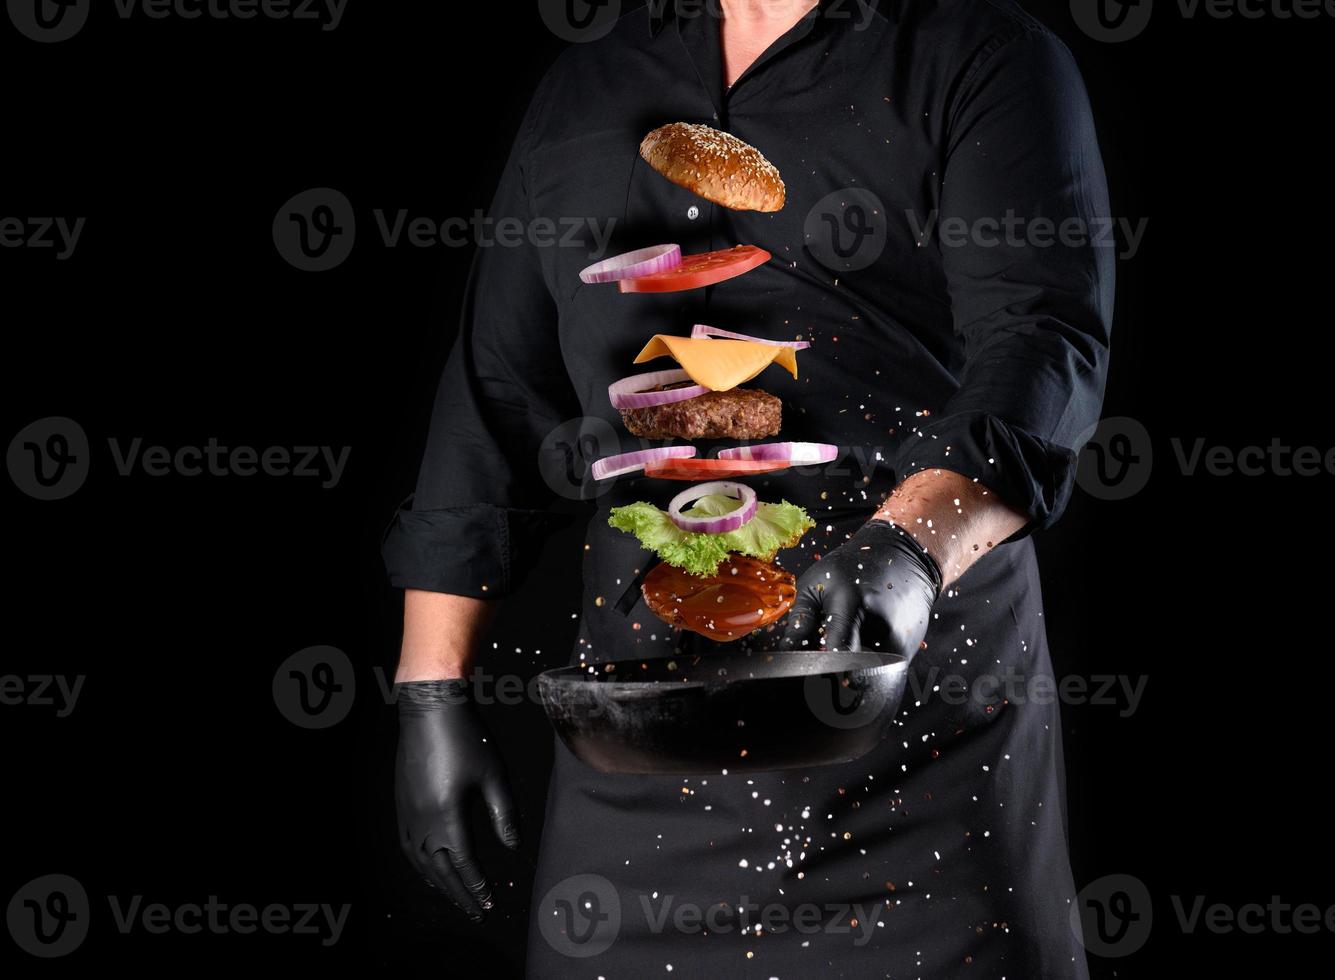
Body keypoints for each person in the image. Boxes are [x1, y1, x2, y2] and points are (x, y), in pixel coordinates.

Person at [385, 1, 1112, 975]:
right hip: (637, 776)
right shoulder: (588, 82)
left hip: (917, 749)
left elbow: (1041, 339)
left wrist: (908, 544)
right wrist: (429, 688)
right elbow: (495, 396)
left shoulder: (979, 54)